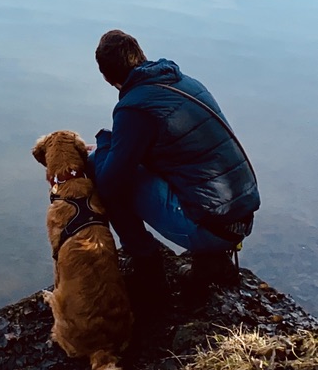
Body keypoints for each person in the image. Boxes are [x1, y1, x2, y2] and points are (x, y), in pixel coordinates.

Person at [87, 30, 260, 296]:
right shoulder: (184, 82)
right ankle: (211, 261)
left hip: (210, 228)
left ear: (107, 77)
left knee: (99, 170)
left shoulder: (135, 108)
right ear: (140, 55)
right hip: (239, 217)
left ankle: (146, 264)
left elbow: (111, 183)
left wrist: (103, 142)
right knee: (126, 163)